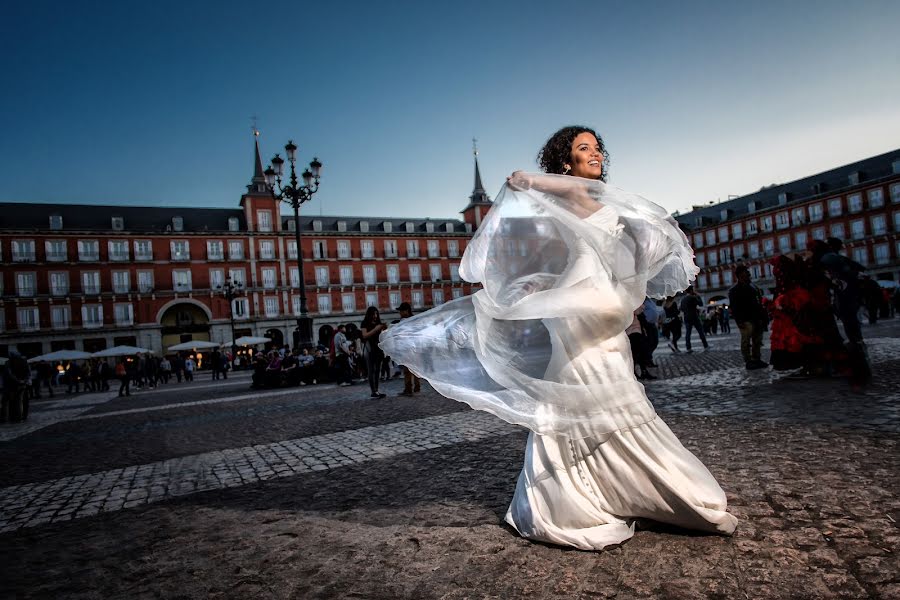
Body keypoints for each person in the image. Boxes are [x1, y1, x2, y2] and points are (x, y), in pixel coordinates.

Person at [380, 125, 737, 551]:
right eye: (584, 148)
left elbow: (618, 251)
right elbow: (520, 178)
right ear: (566, 163)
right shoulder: (569, 192)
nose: (596, 154)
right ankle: (598, 495)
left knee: (598, 390)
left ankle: (607, 489)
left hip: (598, 304)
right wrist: (536, 180)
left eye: (598, 147)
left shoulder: (599, 199)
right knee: (587, 390)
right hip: (581, 304)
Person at [728, 265, 768, 369]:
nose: (749, 273)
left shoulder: (754, 287)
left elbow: (759, 303)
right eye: (746, 272)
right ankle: (748, 361)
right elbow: (734, 307)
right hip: (745, 319)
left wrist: (763, 317)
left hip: (757, 317)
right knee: (746, 340)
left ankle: (757, 359)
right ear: (740, 275)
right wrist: (738, 320)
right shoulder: (734, 290)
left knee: (757, 340)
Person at [360, 307, 388, 399]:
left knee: (377, 370)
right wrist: (376, 329)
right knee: (371, 370)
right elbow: (364, 336)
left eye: (376, 314)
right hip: (369, 348)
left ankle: (376, 390)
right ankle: (373, 391)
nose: (375, 316)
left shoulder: (378, 323)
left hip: (378, 348)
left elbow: (383, 336)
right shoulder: (365, 323)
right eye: (373, 314)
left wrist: (384, 329)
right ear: (369, 314)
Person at [395, 302, 421, 396]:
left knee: (407, 370)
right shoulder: (414, 320)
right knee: (415, 368)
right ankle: (417, 387)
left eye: (401, 311)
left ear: (406, 311)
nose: (400, 313)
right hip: (415, 347)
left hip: (407, 348)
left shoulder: (404, 321)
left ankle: (408, 389)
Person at [680, 286, 709, 352]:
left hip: (686, 317)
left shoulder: (683, 299)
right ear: (691, 290)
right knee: (700, 331)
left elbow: (681, 309)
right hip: (694, 316)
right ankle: (705, 345)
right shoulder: (693, 297)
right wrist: (698, 296)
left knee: (688, 333)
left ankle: (688, 348)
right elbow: (701, 304)